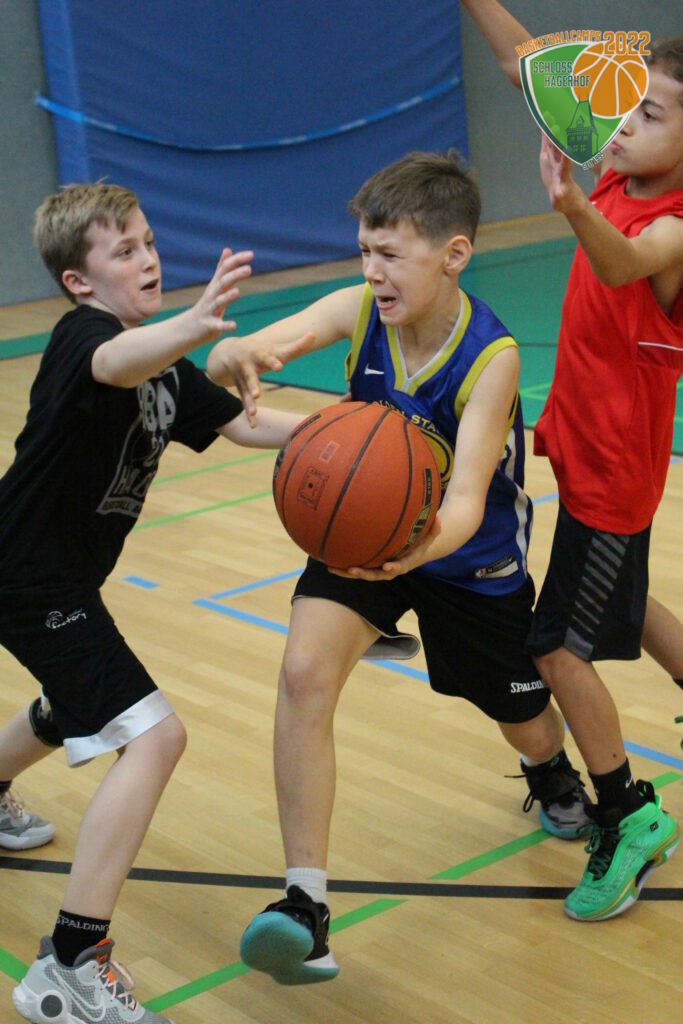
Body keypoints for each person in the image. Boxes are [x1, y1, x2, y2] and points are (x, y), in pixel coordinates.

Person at [207, 149, 592, 985]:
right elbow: (260, 351)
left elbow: (464, 501)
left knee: (521, 715)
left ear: (453, 255)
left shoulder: (491, 356)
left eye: (388, 253)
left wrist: (409, 553)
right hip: (367, 534)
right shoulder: (359, 312)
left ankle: (547, 767)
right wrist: (236, 359)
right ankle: (304, 905)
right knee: (303, 674)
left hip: (464, 557)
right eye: (363, 252)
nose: (370, 271)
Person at [0, 182, 310, 1024]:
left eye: (147, 242)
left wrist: (358, 423)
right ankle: (69, 963)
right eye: (124, 251)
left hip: (57, 577)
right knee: (153, 735)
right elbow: (115, 364)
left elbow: (242, 425)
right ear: (79, 281)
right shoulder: (84, 339)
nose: (147, 259)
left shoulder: (161, 366)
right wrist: (196, 323)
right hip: (27, 577)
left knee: (74, 703)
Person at [460, 0, 682, 921]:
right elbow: (523, 63)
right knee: (625, 593)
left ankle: (628, 816)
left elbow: (628, 263)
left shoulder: (673, 221)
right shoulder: (621, 170)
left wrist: (567, 206)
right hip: (585, 447)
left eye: (650, 115)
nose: (623, 124)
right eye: (625, 107)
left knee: (554, 647)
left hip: (616, 470)